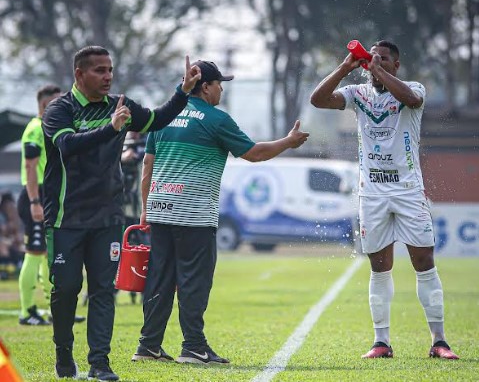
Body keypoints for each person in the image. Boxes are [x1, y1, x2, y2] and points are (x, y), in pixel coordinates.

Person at [131, 60, 309, 365]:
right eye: (219, 84)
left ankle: (148, 346)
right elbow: (254, 153)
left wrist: (146, 209)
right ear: (205, 87)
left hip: (160, 210)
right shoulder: (215, 119)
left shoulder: (163, 116)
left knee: (159, 279)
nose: (222, 90)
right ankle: (194, 347)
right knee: (194, 281)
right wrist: (289, 142)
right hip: (194, 215)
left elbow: (147, 167)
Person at [42, 46, 201, 380]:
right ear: (79, 74)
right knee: (67, 289)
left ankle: (100, 363)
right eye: (99, 70)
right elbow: (68, 146)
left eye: (110, 69)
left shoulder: (121, 105)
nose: (108, 76)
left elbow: (158, 119)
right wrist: (113, 129)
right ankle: (63, 352)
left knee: (103, 290)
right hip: (65, 219)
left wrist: (183, 91)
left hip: (108, 217)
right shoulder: (59, 109)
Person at [310, 40, 459, 360]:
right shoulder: (357, 93)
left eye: (384, 59)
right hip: (372, 194)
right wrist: (345, 68)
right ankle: (381, 342)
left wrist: (377, 70)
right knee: (379, 268)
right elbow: (318, 99)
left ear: (396, 65)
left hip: (408, 192)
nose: (375, 64)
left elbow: (412, 99)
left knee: (424, 263)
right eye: (372, 59)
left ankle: (439, 341)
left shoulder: (412, 88)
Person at [17, 85, 86, 326]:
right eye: (57, 103)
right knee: (34, 254)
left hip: (48, 196)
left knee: (49, 253)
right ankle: (27, 312)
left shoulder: (48, 127)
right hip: (34, 196)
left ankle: (54, 309)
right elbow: (29, 167)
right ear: (46, 105)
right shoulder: (35, 130)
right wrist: (35, 201)